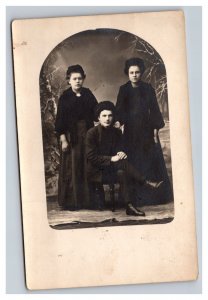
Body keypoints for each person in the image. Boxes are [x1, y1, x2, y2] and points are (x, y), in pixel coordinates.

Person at [85, 101, 162, 216]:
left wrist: (121, 153)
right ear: (98, 118)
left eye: (110, 116)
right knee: (122, 165)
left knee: (122, 171)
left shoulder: (116, 132)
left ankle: (129, 206)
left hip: (114, 168)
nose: (107, 119)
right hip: (97, 170)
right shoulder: (92, 133)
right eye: (104, 116)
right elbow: (91, 157)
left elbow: (121, 148)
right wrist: (112, 159)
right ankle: (145, 181)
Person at [115, 57, 172, 205]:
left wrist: (154, 132)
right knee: (133, 162)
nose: (134, 75)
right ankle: (133, 198)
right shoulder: (123, 89)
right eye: (131, 72)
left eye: (137, 72)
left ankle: (152, 197)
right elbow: (119, 111)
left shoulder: (148, 89)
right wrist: (118, 123)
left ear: (141, 73)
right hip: (130, 133)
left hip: (146, 132)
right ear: (127, 73)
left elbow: (154, 111)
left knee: (148, 162)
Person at [55, 64, 98, 210]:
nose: (78, 81)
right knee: (72, 167)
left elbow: (97, 112)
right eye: (74, 78)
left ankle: (87, 201)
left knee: (87, 165)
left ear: (83, 79)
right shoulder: (65, 97)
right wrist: (63, 140)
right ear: (69, 80)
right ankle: (71, 202)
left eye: (80, 78)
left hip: (87, 133)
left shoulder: (88, 94)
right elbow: (60, 121)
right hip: (71, 136)